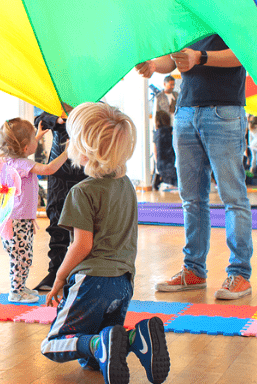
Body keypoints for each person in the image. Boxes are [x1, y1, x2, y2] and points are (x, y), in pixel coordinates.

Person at [39, 103, 168, 384]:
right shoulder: (126, 185)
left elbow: (82, 245)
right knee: (94, 360)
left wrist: (60, 278)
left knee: (52, 344)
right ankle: (137, 338)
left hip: (92, 281)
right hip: (123, 282)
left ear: (84, 149)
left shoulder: (81, 192)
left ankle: (101, 344)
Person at [138, 35, 255, 299]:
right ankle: (193, 270)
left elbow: (243, 53)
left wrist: (200, 57)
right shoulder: (187, 17)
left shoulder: (231, 11)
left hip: (224, 110)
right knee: (191, 198)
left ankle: (239, 274)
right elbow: (174, 59)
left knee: (233, 197)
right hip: (186, 111)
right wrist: (154, 66)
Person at [0, 117, 68, 303]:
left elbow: (23, 149)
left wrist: (36, 135)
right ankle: (16, 292)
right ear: (26, 148)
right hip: (20, 220)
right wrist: (67, 152)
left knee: (20, 256)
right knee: (23, 257)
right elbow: (50, 168)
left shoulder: (7, 160)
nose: (38, 140)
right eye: (35, 140)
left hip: (11, 219)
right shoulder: (24, 165)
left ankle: (19, 286)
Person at [32, 106, 87, 291]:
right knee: (56, 221)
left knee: (85, 224)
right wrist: (57, 118)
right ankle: (55, 270)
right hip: (58, 174)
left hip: (85, 174)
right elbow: (39, 121)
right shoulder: (55, 108)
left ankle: (83, 271)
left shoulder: (94, 106)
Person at [152, 109, 176, 190]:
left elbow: (155, 151)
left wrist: (156, 163)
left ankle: (160, 179)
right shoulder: (172, 131)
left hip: (161, 163)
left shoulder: (157, 133)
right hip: (172, 162)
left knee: (164, 174)